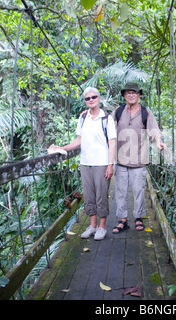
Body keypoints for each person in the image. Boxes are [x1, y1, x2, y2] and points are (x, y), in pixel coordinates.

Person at [60, 87, 116, 240]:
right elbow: (79, 140)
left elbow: (112, 142)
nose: (91, 100)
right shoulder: (83, 118)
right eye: (87, 98)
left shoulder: (106, 119)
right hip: (85, 162)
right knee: (89, 195)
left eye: (94, 97)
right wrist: (62, 148)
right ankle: (92, 226)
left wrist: (110, 164)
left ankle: (102, 227)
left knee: (101, 195)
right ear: (85, 101)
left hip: (102, 163)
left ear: (99, 98)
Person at [112, 82, 165, 233]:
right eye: (128, 92)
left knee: (138, 191)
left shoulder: (145, 112)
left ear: (139, 95)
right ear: (124, 95)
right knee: (120, 191)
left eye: (134, 92)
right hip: (120, 160)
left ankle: (138, 218)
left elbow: (154, 130)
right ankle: (122, 220)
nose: (131, 95)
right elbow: (107, 126)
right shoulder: (118, 111)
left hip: (139, 160)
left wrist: (159, 141)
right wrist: (89, 113)